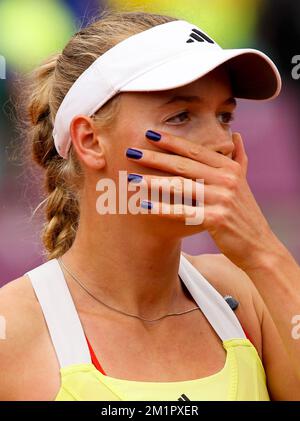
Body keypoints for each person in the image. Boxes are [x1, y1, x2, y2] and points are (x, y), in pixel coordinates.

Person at [0, 10, 300, 401]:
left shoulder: (248, 293)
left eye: (224, 116)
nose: (222, 144)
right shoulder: (14, 330)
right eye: (180, 115)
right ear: (90, 140)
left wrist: (264, 253)